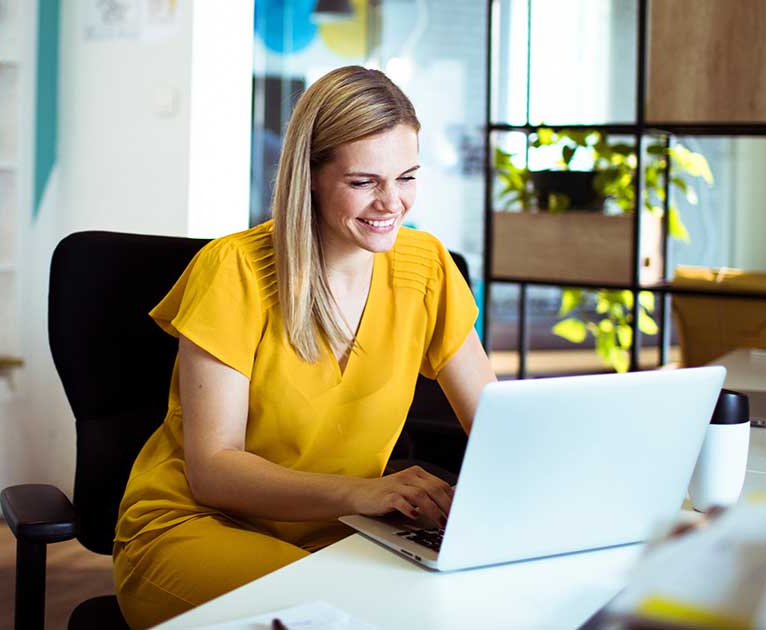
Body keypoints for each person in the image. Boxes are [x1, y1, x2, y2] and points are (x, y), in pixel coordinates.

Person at [112, 65, 497, 628]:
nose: (392, 203)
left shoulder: (427, 267)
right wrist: (364, 493)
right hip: (197, 528)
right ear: (310, 176)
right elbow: (214, 471)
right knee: (349, 617)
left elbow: (496, 423)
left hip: (343, 537)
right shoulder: (234, 270)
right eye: (364, 182)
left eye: (408, 177)